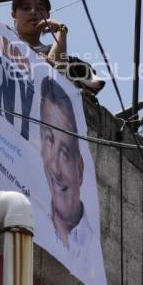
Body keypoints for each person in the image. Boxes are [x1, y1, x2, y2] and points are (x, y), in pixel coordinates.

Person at [11, 0, 105, 95]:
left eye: (40, 9)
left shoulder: (52, 50)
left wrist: (62, 30)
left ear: (47, 15)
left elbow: (55, 74)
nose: (33, 12)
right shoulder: (1, 39)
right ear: (14, 15)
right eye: (26, 8)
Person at [40, 76, 95, 253]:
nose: (55, 168)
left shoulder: (93, 251)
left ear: (80, 168)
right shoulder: (32, 220)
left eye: (65, 153)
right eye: (49, 140)